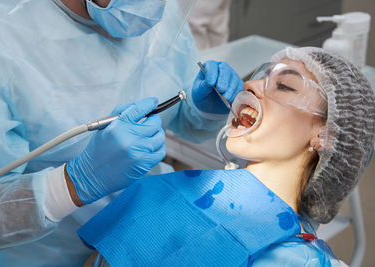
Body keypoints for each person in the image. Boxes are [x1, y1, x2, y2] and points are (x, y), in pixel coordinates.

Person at [0, 0, 243, 266]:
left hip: (140, 236)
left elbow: (180, 112)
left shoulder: (157, 10)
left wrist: (203, 109)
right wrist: (73, 184)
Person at [77, 46, 375, 266]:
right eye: (261, 77)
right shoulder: (160, 190)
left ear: (326, 135)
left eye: (284, 86)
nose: (251, 85)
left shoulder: (298, 259)